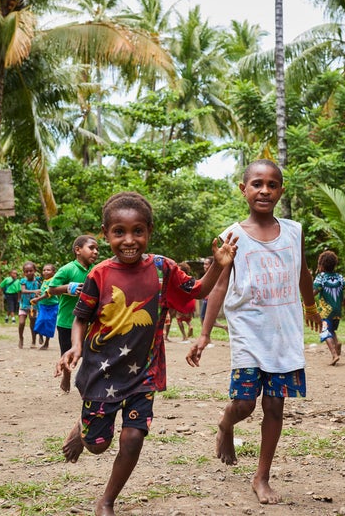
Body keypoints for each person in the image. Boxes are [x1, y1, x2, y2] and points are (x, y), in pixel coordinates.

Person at [56, 191, 237, 516]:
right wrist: (76, 346)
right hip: (102, 373)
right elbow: (81, 316)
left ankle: (106, 501)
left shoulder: (162, 268)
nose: (129, 240)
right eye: (119, 232)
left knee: (133, 439)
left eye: (138, 231)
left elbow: (197, 291)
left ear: (149, 231)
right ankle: (84, 431)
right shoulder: (99, 274)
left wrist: (219, 267)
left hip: (144, 374)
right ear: (106, 233)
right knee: (99, 445)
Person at [186, 159, 322, 505]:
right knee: (246, 403)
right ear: (243, 189)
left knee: (275, 405)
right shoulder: (230, 236)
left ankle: (261, 477)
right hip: (248, 331)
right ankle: (226, 424)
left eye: (272, 184)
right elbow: (217, 287)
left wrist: (310, 306)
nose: (264, 190)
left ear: (281, 190)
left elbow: (303, 271)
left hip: (284, 333)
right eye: (257, 184)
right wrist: (204, 335)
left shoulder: (294, 230)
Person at [47, 235, 99, 392]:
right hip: (67, 322)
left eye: (97, 249)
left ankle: (88, 383)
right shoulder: (68, 269)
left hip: (89, 322)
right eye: (91, 248)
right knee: (67, 354)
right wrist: (68, 288)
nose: (95, 252)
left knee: (90, 354)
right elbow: (51, 289)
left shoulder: (96, 270)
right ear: (78, 250)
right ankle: (66, 377)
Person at [313, 250, 345, 365]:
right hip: (338, 310)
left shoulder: (321, 277)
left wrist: (307, 298)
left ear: (321, 266)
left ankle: (334, 354)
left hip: (326, 310)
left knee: (324, 330)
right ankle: (337, 343)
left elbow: (315, 291)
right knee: (331, 330)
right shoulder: (339, 277)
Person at [165, 261, 196, 342]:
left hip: (173, 300)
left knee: (174, 318)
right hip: (183, 301)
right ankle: (183, 335)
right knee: (181, 318)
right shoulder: (188, 279)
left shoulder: (177, 278)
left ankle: (166, 336)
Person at [31, 263, 58, 350]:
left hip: (53, 306)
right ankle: (40, 335)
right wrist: (38, 292)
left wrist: (37, 299)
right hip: (43, 306)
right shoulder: (44, 280)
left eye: (48, 270)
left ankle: (46, 343)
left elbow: (48, 293)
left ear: (53, 272)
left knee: (49, 323)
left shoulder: (53, 280)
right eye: (44, 270)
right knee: (40, 321)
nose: (46, 271)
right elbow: (43, 290)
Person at [198, 256, 226, 331]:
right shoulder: (207, 275)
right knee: (205, 319)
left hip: (210, 299)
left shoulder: (216, 275)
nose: (204, 266)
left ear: (212, 265)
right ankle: (223, 327)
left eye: (206, 264)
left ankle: (206, 336)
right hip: (206, 298)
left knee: (205, 319)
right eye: (204, 264)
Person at [17, 261, 41, 349]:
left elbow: (41, 290)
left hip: (33, 306)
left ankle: (33, 341)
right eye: (26, 271)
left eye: (30, 271)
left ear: (34, 270)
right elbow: (23, 291)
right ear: (24, 272)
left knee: (32, 323)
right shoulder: (23, 281)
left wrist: (39, 294)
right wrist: (35, 291)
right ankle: (21, 338)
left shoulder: (38, 280)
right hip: (23, 305)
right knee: (21, 322)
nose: (28, 273)